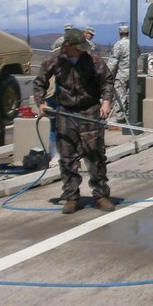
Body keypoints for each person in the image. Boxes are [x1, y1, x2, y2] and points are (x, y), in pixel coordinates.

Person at [32, 28, 115, 214]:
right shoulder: (54, 59)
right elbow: (39, 82)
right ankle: (71, 197)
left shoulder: (92, 59)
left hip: (89, 111)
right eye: (78, 47)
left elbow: (107, 80)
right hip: (66, 113)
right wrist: (41, 103)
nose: (82, 50)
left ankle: (101, 195)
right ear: (68, 46)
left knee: (95, 155)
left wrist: (106, 101)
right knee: (67, 157)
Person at [107, 24, 132, 127]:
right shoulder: (133, 43)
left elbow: (113, 61)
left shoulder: (119, 45)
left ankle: (121, 117)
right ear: (128, 33)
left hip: (121, 73)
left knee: (120, 95)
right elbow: (138, 53)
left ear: (120, 33)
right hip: (132, 73)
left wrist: (108, 73)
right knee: (130, 94)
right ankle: (130, 114)